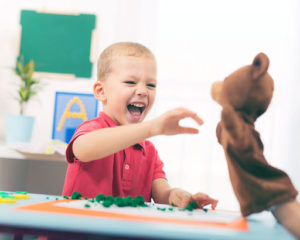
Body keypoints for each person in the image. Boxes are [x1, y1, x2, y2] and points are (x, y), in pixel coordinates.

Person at [62, 42, 218, 209]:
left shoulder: (149, 151)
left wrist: (179, 196)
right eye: (130, 82)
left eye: (151, 85)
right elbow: (84, 149)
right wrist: (151, 128)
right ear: (101, 91)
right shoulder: (93, 129)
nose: (143, 91)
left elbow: (162, 195)